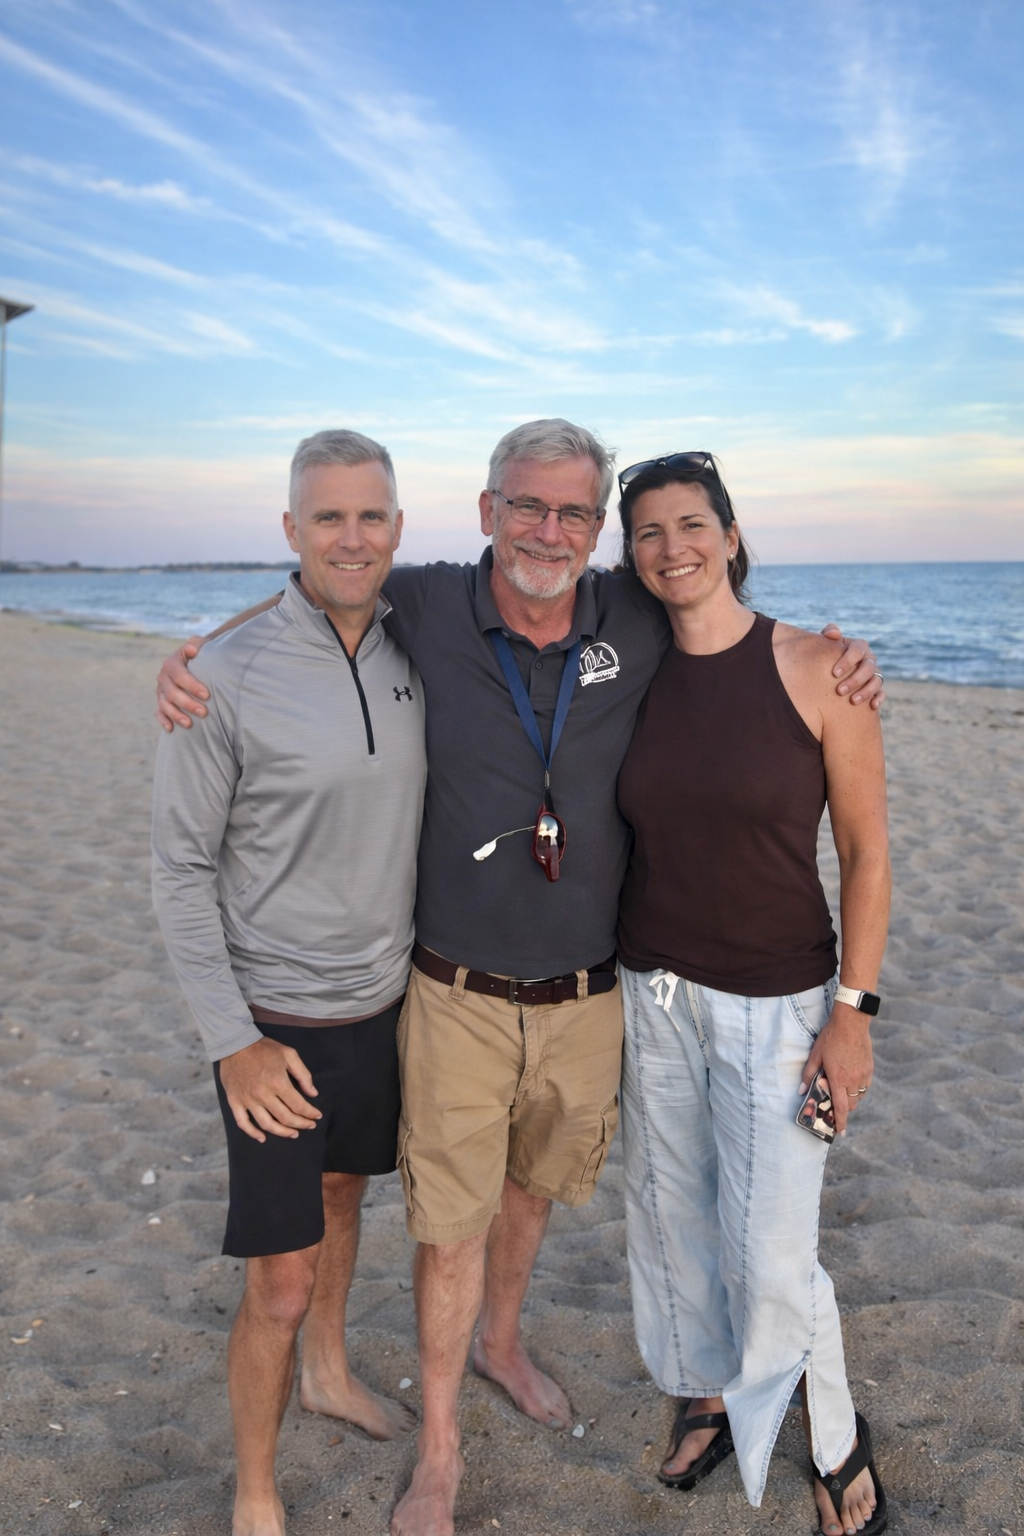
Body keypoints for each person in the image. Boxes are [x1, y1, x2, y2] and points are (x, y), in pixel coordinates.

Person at [155, 419, 885, 1536]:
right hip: (450, 988)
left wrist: (840, 654)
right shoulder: (434, 602)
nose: (550, 530)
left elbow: (724, 626)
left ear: (600, 532)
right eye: (527, 506)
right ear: (487, 508)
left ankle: (504, 1340)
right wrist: (196, 648)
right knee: (448, 1221)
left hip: (595, 991)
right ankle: (440, 1447)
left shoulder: (632, 612)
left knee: (534, 1188)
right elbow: (324, 578)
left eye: (575, 514)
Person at [151, 429, 427, 1536]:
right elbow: (176, 869)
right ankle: (256, 1489)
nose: (351, 538)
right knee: (275, 1280)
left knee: (347, 1197)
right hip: (272, 1022)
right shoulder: (224, 675)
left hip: (385, 1006)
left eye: (371, 516)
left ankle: (328, 1369)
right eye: (328, 517)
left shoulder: (427, 647)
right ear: (290, 530)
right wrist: (233, 1041)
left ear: (399, 529)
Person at [614, 451, 890, 1536]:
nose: (671, 547)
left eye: (691, 524)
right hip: (651, 991)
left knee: (772, 1247)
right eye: (646, 532)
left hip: (779, 1000)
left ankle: (832, 1440)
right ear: (628, 555)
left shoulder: (823, 664)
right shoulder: (624, 666)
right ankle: (709, 1389)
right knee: (672, 1220)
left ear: (730, 534)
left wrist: (851, 1017)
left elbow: (867, 855)